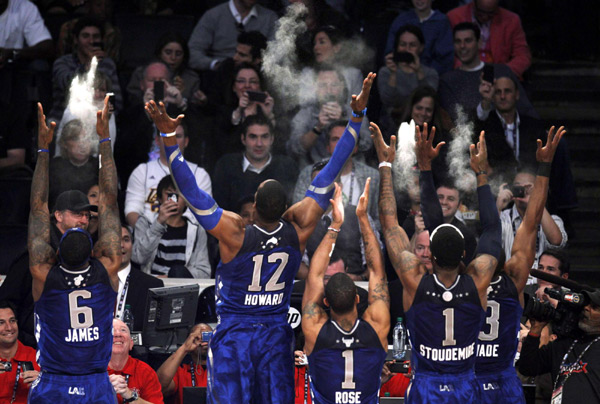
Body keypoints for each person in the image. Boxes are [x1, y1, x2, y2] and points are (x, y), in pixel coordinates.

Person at [146, 72, 376, 403]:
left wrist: (168, 135)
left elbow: (191, 191)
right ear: (286, 206)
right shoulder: (298, 229)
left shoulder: (234, 232)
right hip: (274, 333)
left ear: (253, 206)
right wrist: (355, 119)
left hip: (236, 334)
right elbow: (332, 169)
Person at [373, 121, 502, 403]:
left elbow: (389, 223)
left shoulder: (413, 279)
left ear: (429, 255)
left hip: (425, 387)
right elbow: (493, 229)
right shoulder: (478, 279)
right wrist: (481, 173)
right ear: (465, 257)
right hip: (466, 386)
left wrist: (386, 166)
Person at [27, 99, 121, 403]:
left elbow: (38, 207)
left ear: (57, 249)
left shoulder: (43, 272)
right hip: (95, 383)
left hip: (54, 383)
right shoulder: (107, 267)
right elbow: (108, 199)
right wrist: (104, 139)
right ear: (94, 249)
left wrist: (44, 149)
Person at [472, 126, 565, 404]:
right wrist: (544, 166)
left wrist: (480, 174)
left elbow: (490, 225)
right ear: (504, 260)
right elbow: (532, 220)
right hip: (503, 381)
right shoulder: (513, 279)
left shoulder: (465, 282)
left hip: (471, 379)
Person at [302, 179, 390, 403]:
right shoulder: (376, 324)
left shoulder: (315, 329)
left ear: (326, 303)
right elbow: (377, 270)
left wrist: (336, 223)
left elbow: (315, 274)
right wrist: (362, 218)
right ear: (358, 298)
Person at [438, 22, 536, 122]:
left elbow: (525, 107)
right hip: (471, 135)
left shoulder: (502, 71)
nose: (462, 46)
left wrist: (541, 130)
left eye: (468, 40)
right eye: (458, 41)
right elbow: (456, 120)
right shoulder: (447, 81)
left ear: (479, 42)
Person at [124, 118, 211, 228]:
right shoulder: (142, 171)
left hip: (186, 240)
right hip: (149, 239)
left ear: (186, 141)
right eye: (167, 137)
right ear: (157, 140)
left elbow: (204, 214)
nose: (172, 141)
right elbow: (132, 210)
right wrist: (150, 235)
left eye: (177, 136)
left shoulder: (200, 175)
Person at [518, 288, 600, 402]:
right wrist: (535, 330)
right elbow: (527, 368)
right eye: (586, 305)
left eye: (594, 308)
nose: (586, 308)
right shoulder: (564, 344)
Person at [0, 0, 54, 172]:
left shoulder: (23, 7)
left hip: (12, 74)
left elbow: (46, 46)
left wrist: (13, 53)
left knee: (33, 71)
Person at [288, 65, 373, 168]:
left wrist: (343, 120)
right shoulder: (305, 114)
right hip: (315, 171)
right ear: (315, 89)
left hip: (353, 170)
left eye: (334, 85)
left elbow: (367, 145)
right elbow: (294, 149)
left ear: (342, 87)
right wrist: (317, 128)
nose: (329, 91)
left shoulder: (355, 112)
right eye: (323, 86)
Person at [213, 114, 298, 211]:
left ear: (272, 139)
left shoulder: (287, 167)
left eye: (264, 137)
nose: (259, 144)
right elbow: (220, 211)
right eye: (253, 137)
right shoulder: (226, 166)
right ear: (243, 139)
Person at [132, 175, 211, 279]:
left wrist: (173, 276)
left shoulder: (196, 230)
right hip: (150, 285)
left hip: (182, 288)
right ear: (159, 198)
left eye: (179, 194)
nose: (174, 199)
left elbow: (204, 272)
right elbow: (138, 258)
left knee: (177, 271)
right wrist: (159, 223)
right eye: (170, 194)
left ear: (187, 201)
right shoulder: (145, 222)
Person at [49, 16, 122, 123]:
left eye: (95, 36)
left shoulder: (107, 64)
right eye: (85, 36)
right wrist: (88, 65)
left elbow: (117, 101)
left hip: (100, 119)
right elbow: (67, 85)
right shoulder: (62, 62)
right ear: (76, 40)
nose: (91, 41)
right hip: (64, 119)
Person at [498, 167, 568, 272]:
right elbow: (490, 239)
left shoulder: (552, 219)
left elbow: (557, 242)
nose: (523, 191)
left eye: (528, 188)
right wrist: (498, 206)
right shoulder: (503, 217)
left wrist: (537, 199)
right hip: (511, 281)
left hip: (542, 281)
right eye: (518, 187)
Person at [447, 0, 531, 79]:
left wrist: (503, 73)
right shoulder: (454, 17)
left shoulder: (512, 20)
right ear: (473, 3)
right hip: (464, 75)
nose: (485, 17)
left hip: (501, 77)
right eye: (480, 12)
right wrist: (468, 70)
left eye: (491, 13)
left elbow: (522, 55)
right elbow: (448, 55)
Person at [378, 25, 439, 134]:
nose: (407, 49)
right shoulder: (386, 72)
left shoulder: (430, 73)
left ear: (421, 48)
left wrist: (419, 72)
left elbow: (429, 98)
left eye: (412, 45)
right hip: (391, 126)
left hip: (423, 128)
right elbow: (388, 101)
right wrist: (393, 74)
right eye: (403, 44)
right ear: (397, 47)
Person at [187, 0, 278, 71]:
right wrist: (216, 64)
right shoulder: (212, 16)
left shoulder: (269, 18)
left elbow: (276, 55)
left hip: (255, 77)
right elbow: (192, 53)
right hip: (218, 76)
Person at [127, 32, 204, 107]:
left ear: (184, 56)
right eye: (168, 52)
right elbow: (131, 100)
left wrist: (183, 97)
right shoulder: (143, 72)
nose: (173, 58)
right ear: (160, 53)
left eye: (178, 54)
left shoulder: (191, 78)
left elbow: (194, 109)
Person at [115, 225, 164, 331]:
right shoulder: (92, 281)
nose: (121, 245)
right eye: (116, 240)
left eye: (126, 240)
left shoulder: (152, 286)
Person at [384, 0, 454, 75]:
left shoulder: (441, 22)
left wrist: (425, 73)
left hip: (431, 77)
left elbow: (445, 58)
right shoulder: (401, 20)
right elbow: (390, 50)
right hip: (400, 74)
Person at [108, 319, 164, 404]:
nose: (118, 334)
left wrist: (130, 395)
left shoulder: (145, 371)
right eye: (112, 330)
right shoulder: (89, 370)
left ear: (131, 344)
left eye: (123, 330)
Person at [156, 323, 213, 404]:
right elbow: (158, 387)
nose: (204, 340)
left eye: (208, 335)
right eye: (197, 337)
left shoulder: (225, 370)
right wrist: (185, 347)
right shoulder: (181, 372)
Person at [49, 119, 99, 208]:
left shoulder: (100, 167)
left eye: (86, 139)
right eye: (76, 139)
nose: (82, 144)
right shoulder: (52, 168)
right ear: (65, 143)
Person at [0, 302, 40, 404]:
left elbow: (61, 394)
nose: (9, 328)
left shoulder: (37, 357)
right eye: (1, 322)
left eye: (12, 321)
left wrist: (44, 384)